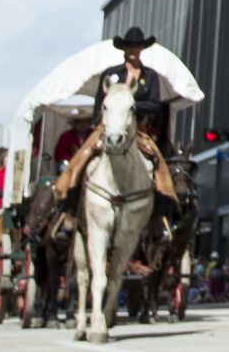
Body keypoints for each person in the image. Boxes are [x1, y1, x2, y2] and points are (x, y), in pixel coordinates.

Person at [54, 28, 180, 216]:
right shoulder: (112, 74)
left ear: (141, 49)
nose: (133, 51)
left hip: (139, 128)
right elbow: (99, 102)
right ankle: (66, 204)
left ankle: (164, 213)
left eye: (136, 47)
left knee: (158, 162)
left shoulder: (150, 76)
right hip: (109, 126)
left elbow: (154, 104)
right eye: (130, 47)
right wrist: (100, 120)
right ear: (124, 49)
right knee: (82, 156)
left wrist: (129, 103)